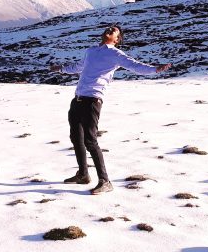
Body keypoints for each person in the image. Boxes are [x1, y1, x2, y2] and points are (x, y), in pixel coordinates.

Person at [49, 24, 171, 195]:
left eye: (114, 30)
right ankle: (83, 174)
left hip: (93, 101)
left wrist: (155, 69)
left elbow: (135, 66)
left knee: (90, 141)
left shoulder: (116, 54)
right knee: (76, 138)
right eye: (109, 28)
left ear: (117, 39)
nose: (110, 29)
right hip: (77, 99)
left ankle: (105, 181)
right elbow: (77, 67)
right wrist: (61, 69)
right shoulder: (90, 51)